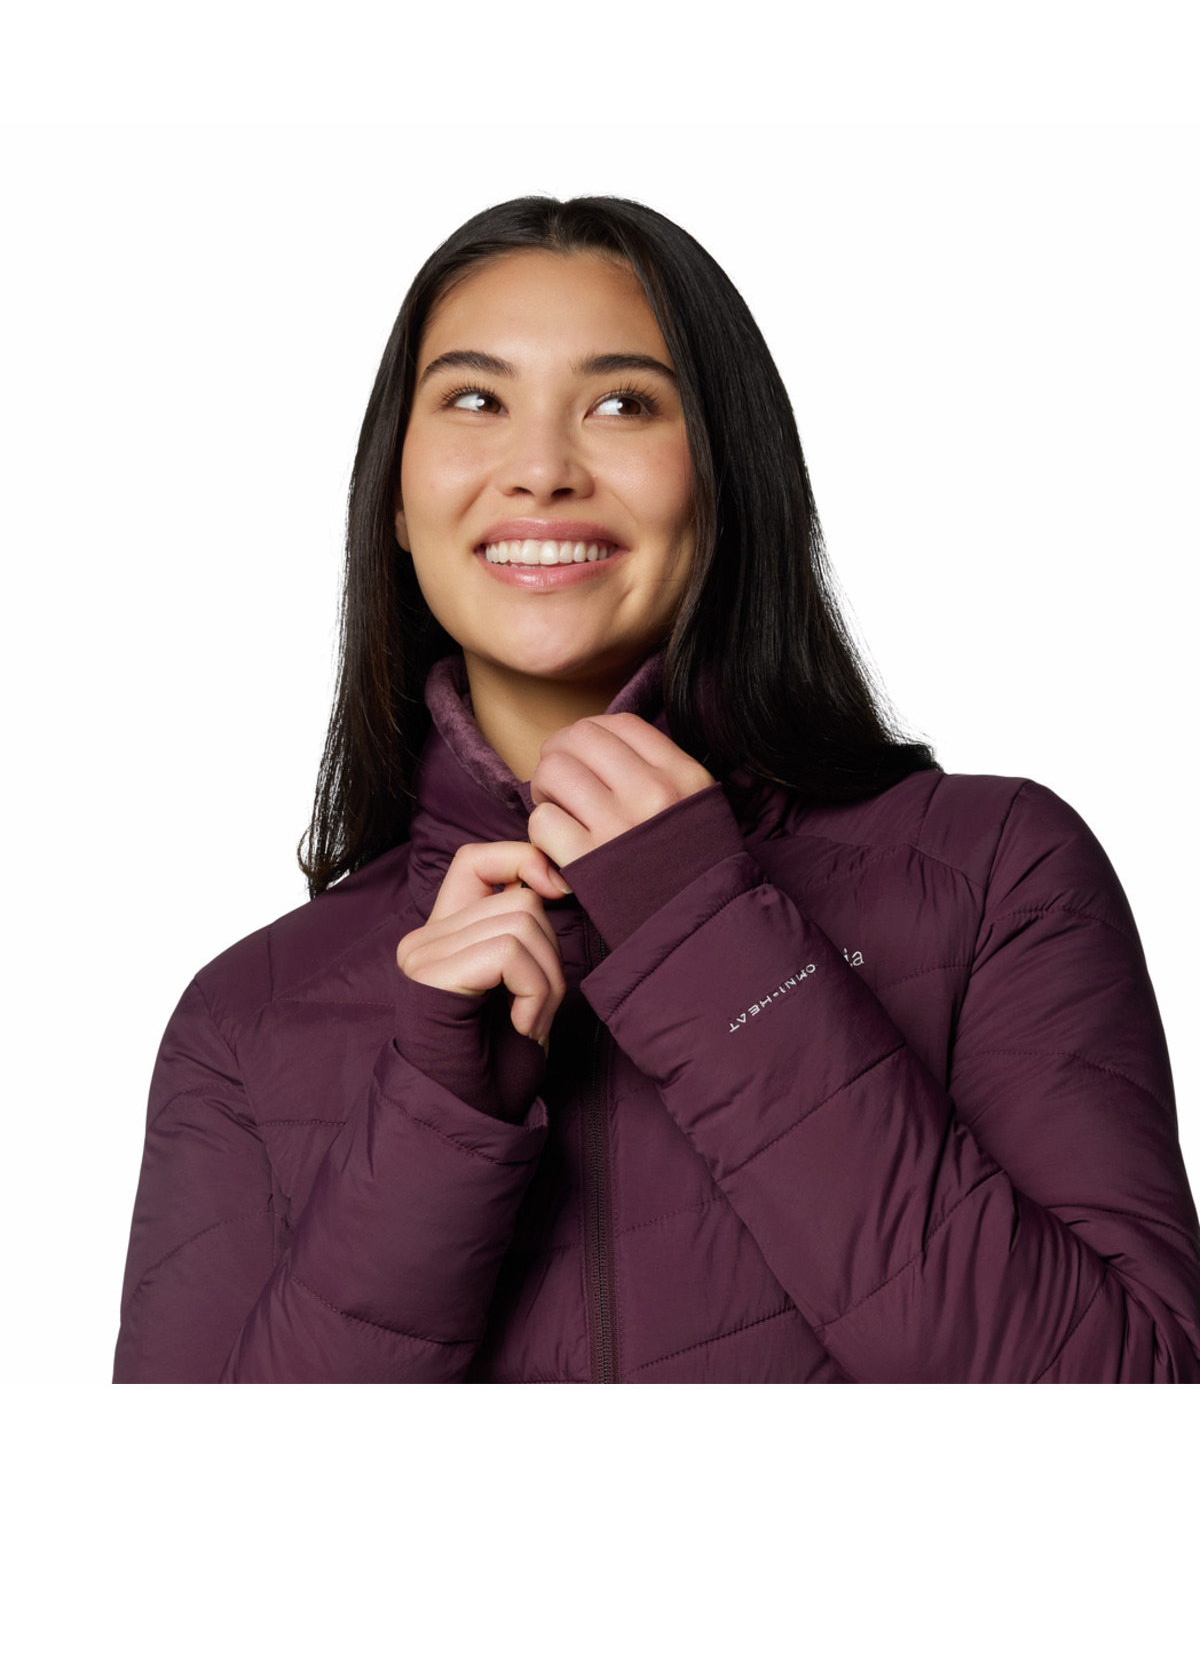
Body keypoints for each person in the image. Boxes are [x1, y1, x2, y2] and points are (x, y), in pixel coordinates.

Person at [112, 194, 1200, 1383]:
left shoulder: (995, 877)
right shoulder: (243, 1020)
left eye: (623, 403)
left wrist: (709, 941)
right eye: (474, 401)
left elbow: (1131, 1415)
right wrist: (432, 1124)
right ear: (398, 502)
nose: (541, 471)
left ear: (726, 479)